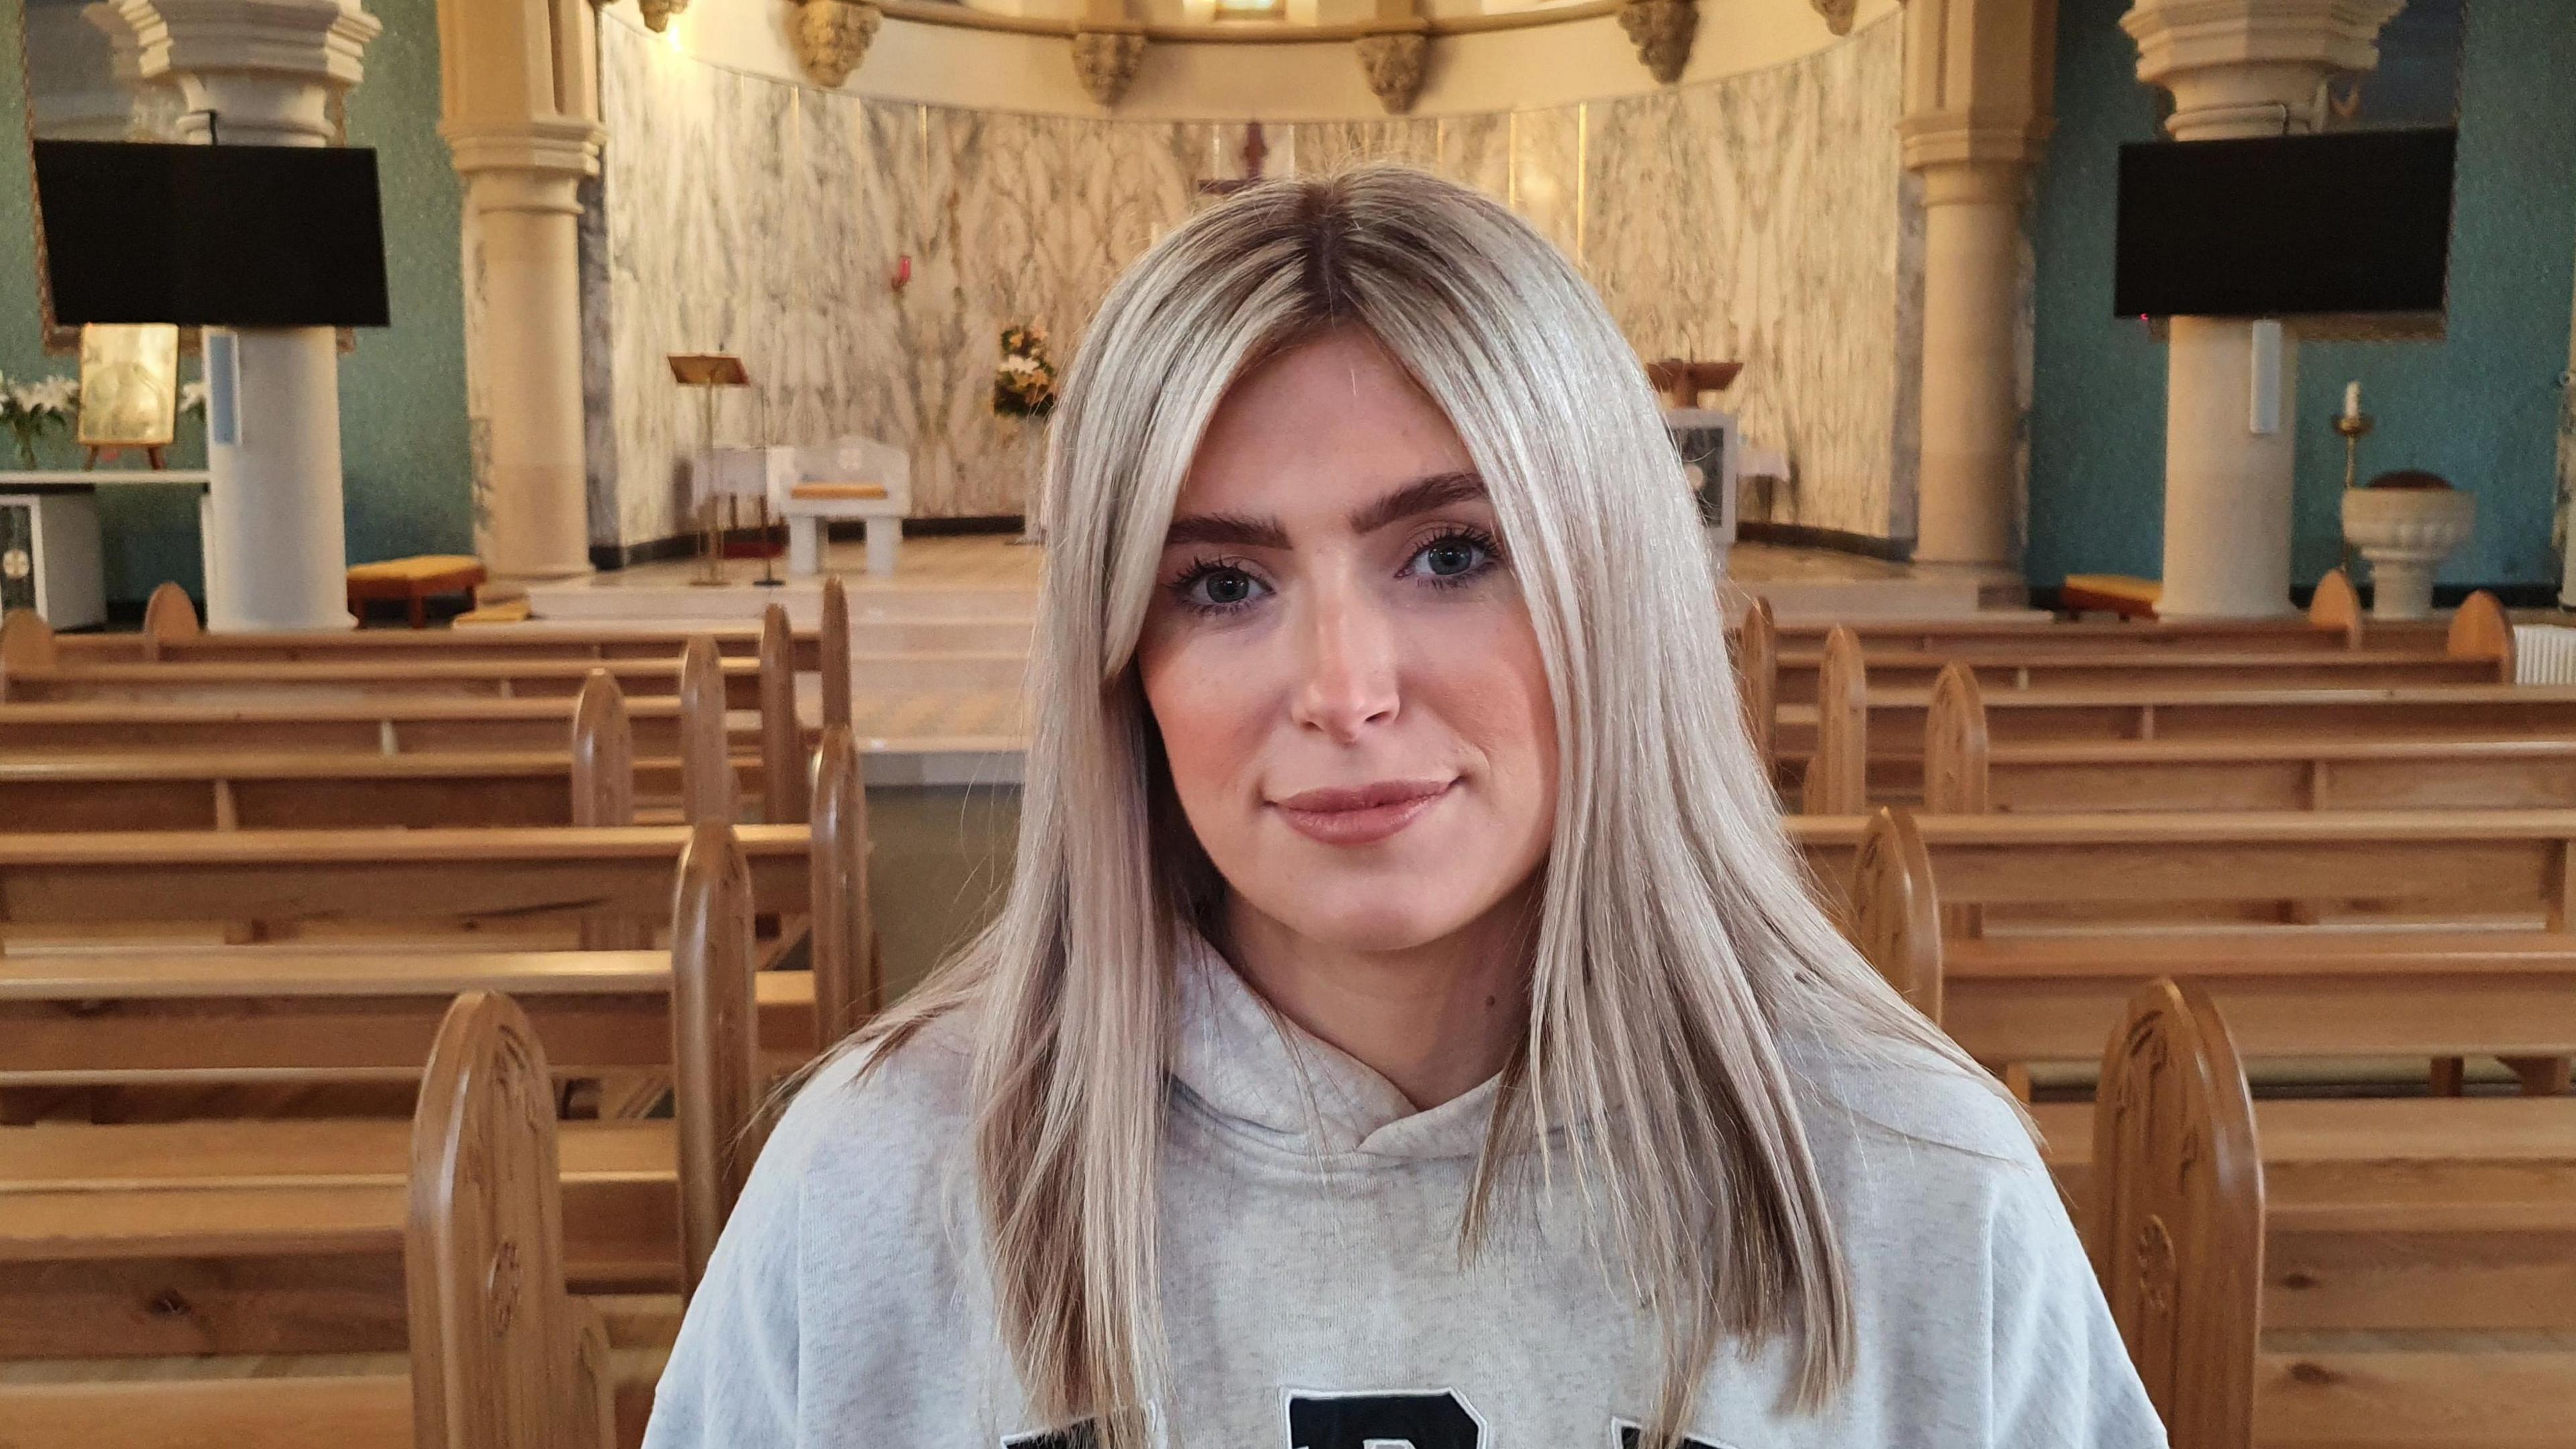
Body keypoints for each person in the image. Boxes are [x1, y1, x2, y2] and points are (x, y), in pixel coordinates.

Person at [643, 164, 2164, 1449]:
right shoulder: (874, 1190)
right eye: (1223, 584)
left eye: (1449, 555)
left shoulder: (1917, 1184)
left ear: (1610, 590)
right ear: (1123, 661)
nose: (1345, 690)